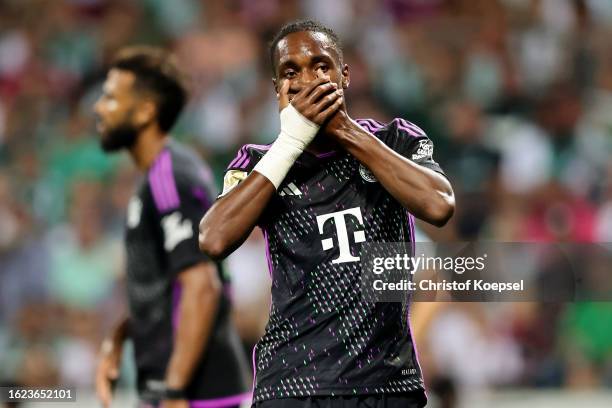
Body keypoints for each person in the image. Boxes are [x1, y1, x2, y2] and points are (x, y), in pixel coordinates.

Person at [199, 20, 455, 408]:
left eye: (321, 66)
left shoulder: (397, 140)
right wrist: (289, 143)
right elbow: (212, 238)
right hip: (293, 387)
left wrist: (346, 131)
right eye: (291, 71)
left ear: (344, 74)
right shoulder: (257, 163)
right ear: (277, 90)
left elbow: (439, 206)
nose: (309, 79)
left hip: (387, 387)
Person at [93, 46, 250, 408]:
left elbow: (202, 286)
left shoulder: (170, 177)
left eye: (111, 98)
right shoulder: (154, 180)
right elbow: (165, 288)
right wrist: (118, 338)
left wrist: (175, 389)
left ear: (146, 110)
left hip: (200, 394)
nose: (99, 107)